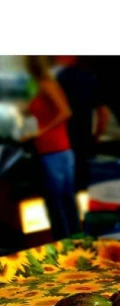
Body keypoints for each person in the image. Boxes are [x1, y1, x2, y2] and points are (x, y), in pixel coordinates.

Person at [22, 55, 81, 240]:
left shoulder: (47, 84)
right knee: (65, 201)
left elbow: (65, 112)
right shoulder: (42, 85)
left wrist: (40, 132)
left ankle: (65, 245)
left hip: (54, 149)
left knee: (58, 204)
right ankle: (75, 243)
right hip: (58, 149)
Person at [54, 56, 109, 191]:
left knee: (67, 184)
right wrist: (97, 134)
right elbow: (103, 112)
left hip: (65, 138)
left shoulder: (60, 78)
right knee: (84, 182)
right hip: (84, 136)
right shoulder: (89, 78)